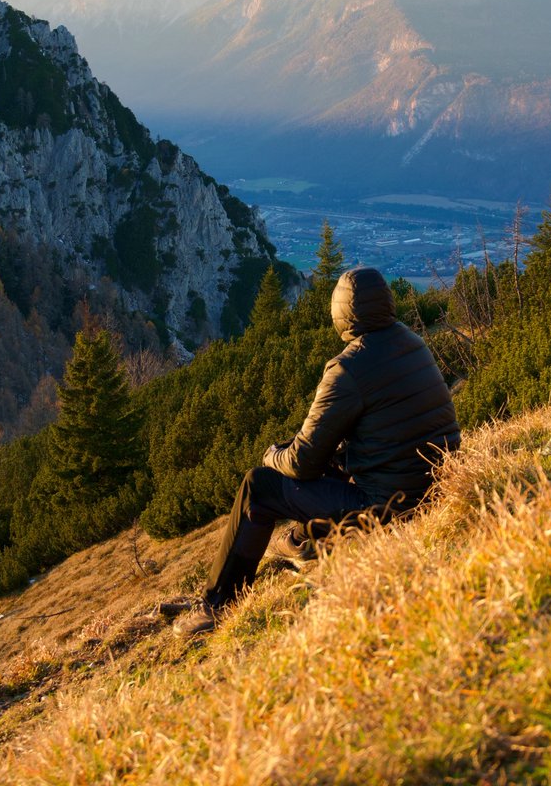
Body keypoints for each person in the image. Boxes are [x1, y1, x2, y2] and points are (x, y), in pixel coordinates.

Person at [171, 266, 461, 636]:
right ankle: (305, 541)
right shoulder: (412, 343)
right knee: (337, 459)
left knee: (258, 488)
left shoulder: (348, 368)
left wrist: (271, 454)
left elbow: (302, 461)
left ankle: (217, 605)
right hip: (436, 488)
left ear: (342, 313)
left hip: (390, 508)